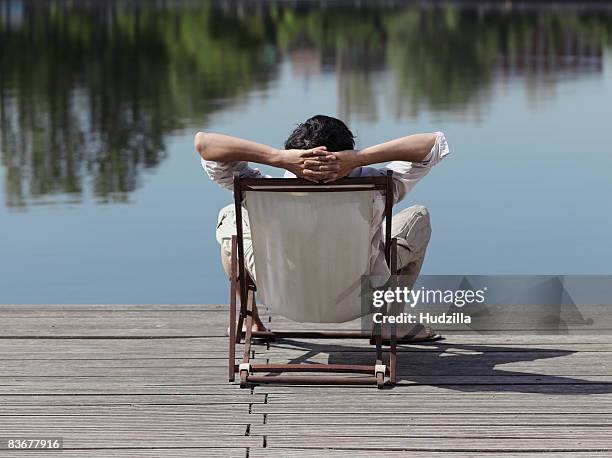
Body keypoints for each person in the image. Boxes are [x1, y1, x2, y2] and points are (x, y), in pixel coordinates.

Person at [195, 115, 450, 340]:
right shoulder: (378, 187)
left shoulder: (260, 190)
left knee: (231, 217)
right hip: (359, 299)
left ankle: (251, 321)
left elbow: (204, 144)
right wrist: (359, 159)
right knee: (418, 218)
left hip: (284, 297)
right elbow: (433, 143)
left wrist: (279, 159)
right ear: (347, 155)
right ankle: (389, 323)